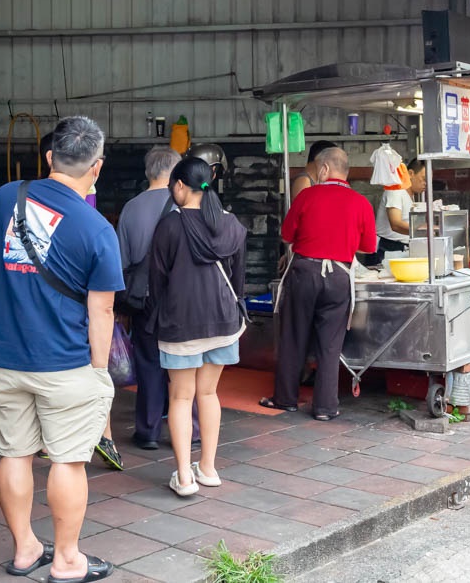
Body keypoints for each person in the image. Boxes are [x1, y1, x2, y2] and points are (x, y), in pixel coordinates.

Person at [0, 116, 120, 583]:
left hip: (5, 356)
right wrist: (100, 370)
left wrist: (19, 290)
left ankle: (24, 550)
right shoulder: (97, 229)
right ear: (97, 168)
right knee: (67, 460)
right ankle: (67, 559)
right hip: (67, 361)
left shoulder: (3, 197)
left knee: (14, 453)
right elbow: (102, 313)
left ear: (50, 157)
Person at [148, 157, 247, 497]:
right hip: (223, 320)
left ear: (178, 186)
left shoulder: (170, 226)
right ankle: (208, 468)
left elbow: (157, 279)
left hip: (180, 321)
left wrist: (158, 313)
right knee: (208, 394)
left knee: (180, 397)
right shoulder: (231, 223)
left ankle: (184, 477)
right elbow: (239, 277)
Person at [261, 147, 376, 421]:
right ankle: (325, 408)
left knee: (293, 337)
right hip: (338, 276)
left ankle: (285, 399)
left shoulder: (307, 195)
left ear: (323, 170)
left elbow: (287, 235)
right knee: (330, 344)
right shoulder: (361, 203)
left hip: (304, 272)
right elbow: (368, 246)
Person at [38, 129, 122, 471]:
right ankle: (104, 435)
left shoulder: (40, 198)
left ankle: (67, 436)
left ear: (49, 159)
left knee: (69, 369)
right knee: (91, 369)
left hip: (60, 296)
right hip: (84, 292)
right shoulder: (89, 192)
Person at [116, 147, 182, 450]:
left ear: (148, 172)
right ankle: (190, 430)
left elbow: (123, 260)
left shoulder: (131, 207)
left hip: (144, 298)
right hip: (182, 298)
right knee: (185, 363)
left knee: (148, 362)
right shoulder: (188, 205)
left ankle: (148, 431)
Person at [366, 160, 428, 266]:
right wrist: (426, 231)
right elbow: (396, 224)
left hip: (400, 249)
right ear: (410, 174)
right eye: (423, 179)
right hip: (386, 250)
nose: (425, 184)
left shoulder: (410, 195)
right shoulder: (395, 190)